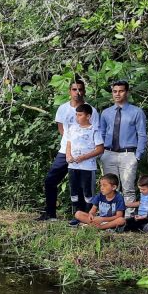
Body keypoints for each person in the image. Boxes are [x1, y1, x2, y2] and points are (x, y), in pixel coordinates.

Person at [38, 79, 99, 220]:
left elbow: (94, 131)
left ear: (84, 91)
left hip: (85, 156)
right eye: (74, 89)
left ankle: (82, 218)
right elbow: (62, 130)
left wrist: (84, 153)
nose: (77, 92)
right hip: (65, 152)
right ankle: (50, 214)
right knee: (50, 180)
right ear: (69, 91)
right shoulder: (63, 108)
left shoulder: (91, 110)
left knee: (83, 188)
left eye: (80, 89)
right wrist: (70, 148)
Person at [98, 81, 148, 205]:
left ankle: (128, 218)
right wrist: (101, 153)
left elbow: (142, 134)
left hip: (128, 154)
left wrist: (137, 156)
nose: (117, 94)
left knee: (128, 188)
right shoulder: (106, 113)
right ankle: (112, 215)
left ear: (127, 92)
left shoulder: (136, 112)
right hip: (108, 153)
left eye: (121, 91)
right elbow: (101, 134)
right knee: (110, 188)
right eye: (115, 91)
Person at [64, 103, 104, 222]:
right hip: (73, 166)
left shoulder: (94, 130)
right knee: (74, 191)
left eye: (80, 115)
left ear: (88, 116)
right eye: (76, 114)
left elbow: (100, 149)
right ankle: (76, 215)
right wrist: (68, 155)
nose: (77, 117)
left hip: (87, 167)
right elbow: (69, 144)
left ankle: (87, 217)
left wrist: (84, 157)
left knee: (87, 192)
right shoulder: (73, 128)